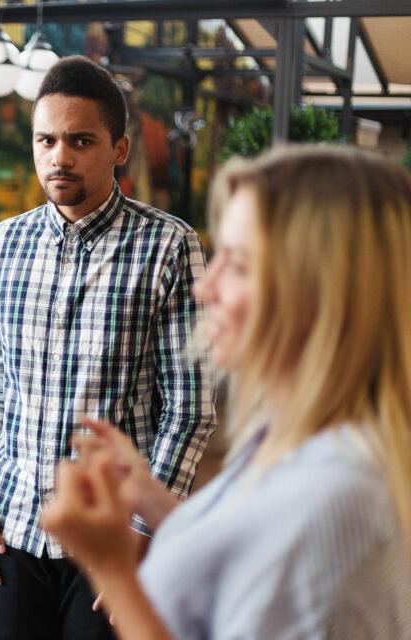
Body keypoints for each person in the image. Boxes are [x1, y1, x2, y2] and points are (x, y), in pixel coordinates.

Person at [42, 145, 411, 639]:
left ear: (322, 295)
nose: (203, 289)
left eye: (237, 265)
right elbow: (247, 560)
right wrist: (147, 494)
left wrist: (110, 566)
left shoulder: (334, 499)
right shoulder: (298, 438)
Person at [0, 55, 216, 639]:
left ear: (119, 149)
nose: (59, 157)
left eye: (80, 140)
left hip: (111, 534)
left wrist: (146, 531)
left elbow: (190, 409)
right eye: (45, 140)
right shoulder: (5, 243)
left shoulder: (169, 247)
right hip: (14, 529)